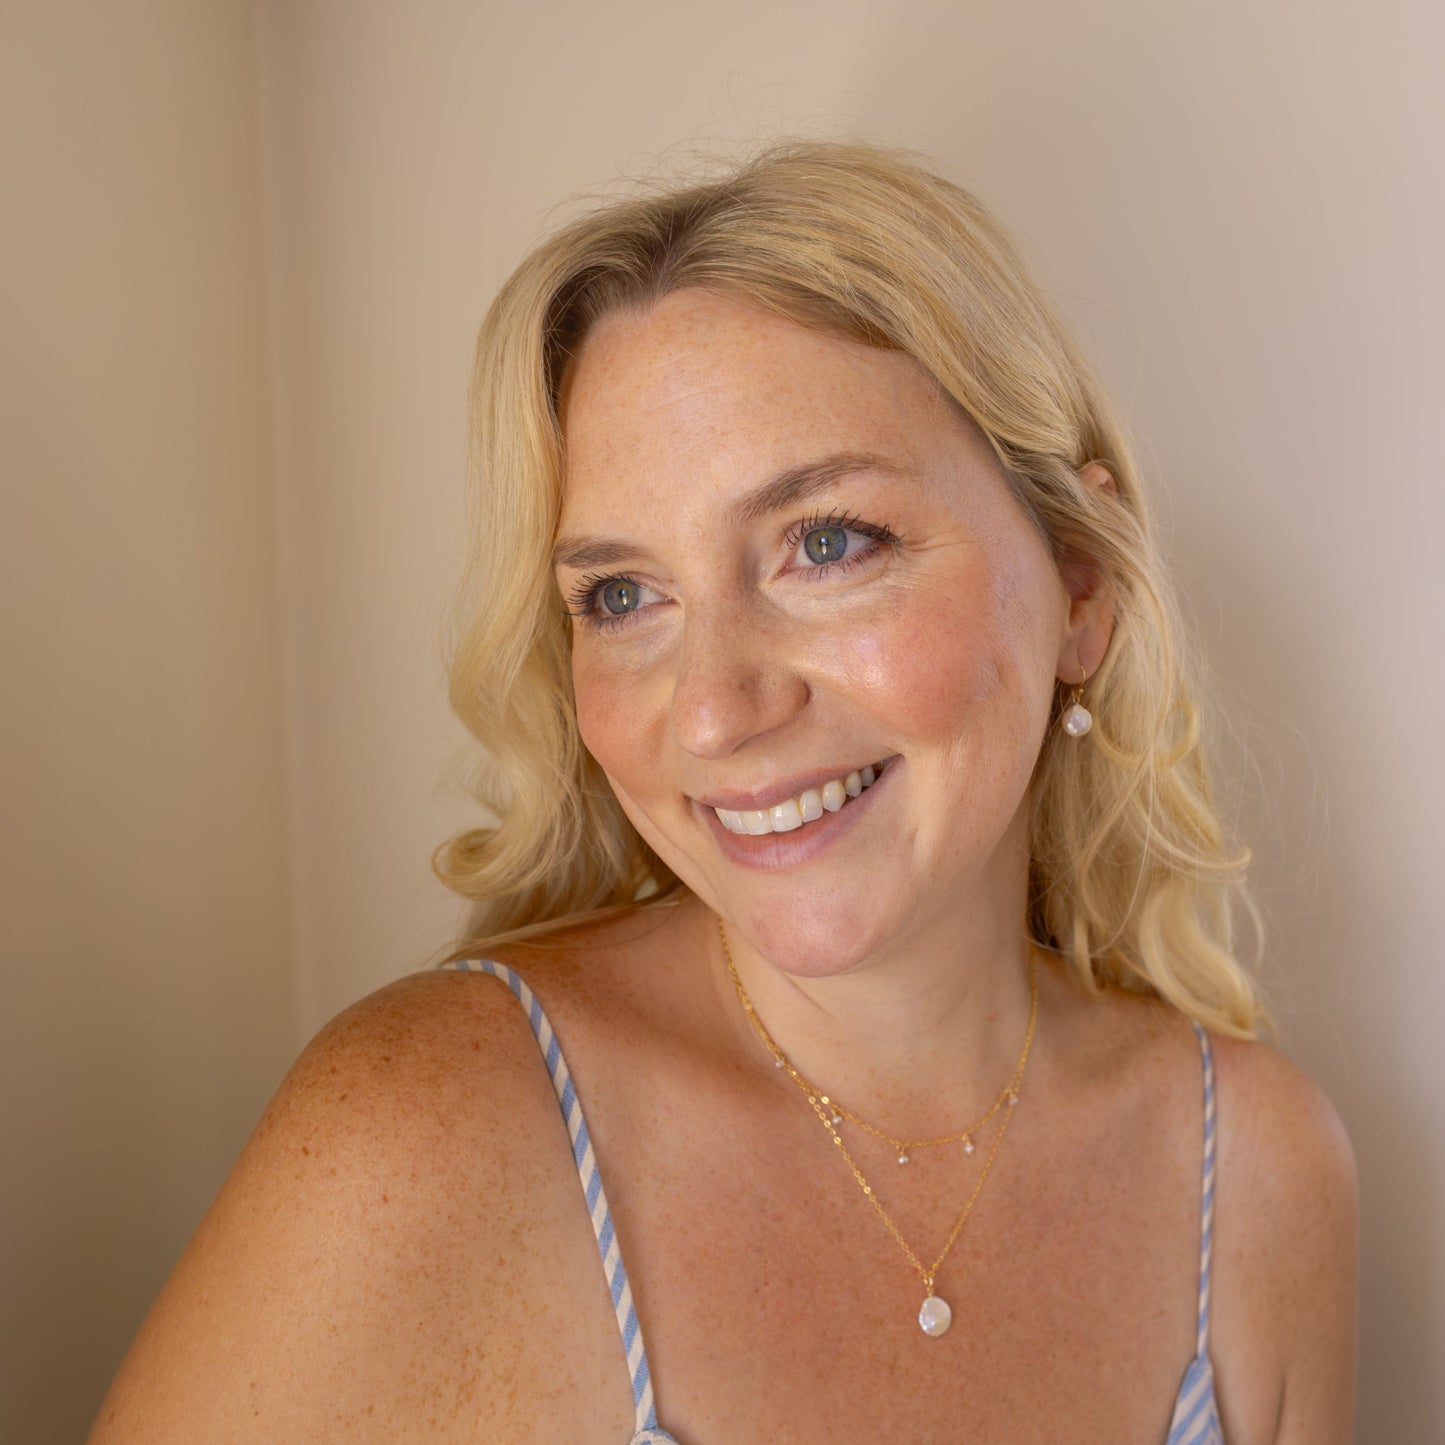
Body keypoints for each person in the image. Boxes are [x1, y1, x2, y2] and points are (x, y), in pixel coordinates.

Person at [90, 141, 1357, 1443]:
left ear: (1080, 583)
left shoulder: (1254, 1173)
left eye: (824, 543)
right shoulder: (428, 1137)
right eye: (623, 596)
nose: (712, 707)